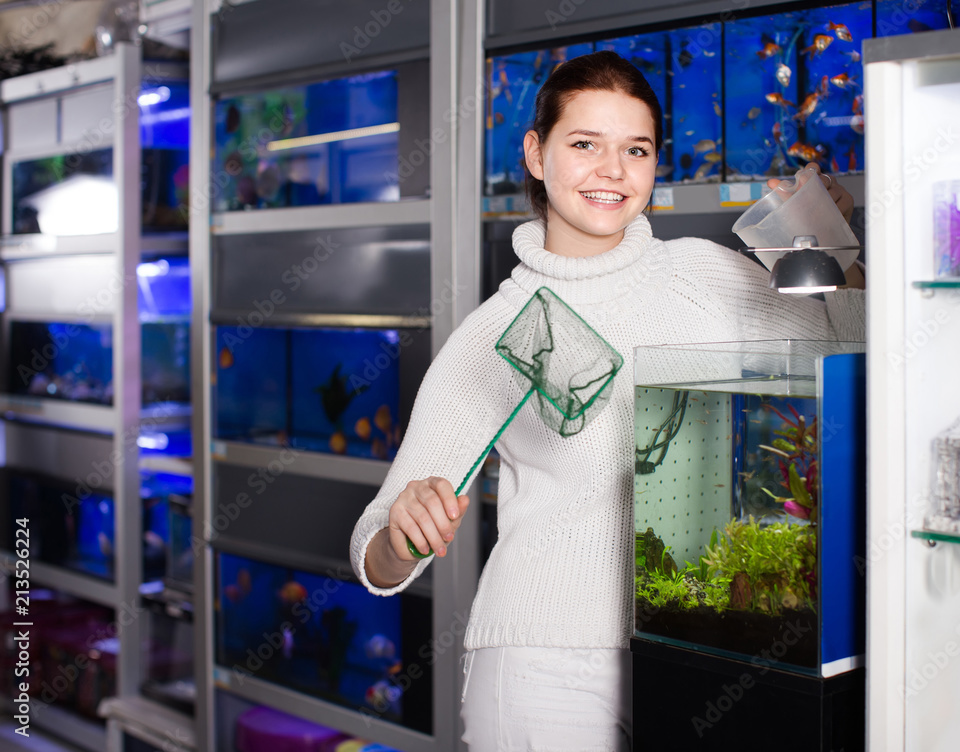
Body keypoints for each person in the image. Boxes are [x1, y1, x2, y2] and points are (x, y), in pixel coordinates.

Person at [350, 50, 865, 750]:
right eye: (584, 144)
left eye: (636, 149)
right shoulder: (494, 334)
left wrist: (841, 253)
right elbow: (377, 552)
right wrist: (402, 533)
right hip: (540, 662)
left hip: (703, 639)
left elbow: (852, 347)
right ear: (536, 154)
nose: (612, 171)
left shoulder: (705, 274)